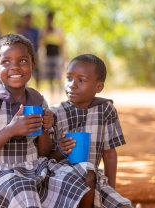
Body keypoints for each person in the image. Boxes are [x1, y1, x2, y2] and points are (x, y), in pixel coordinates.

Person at [0, 34, 95, 208]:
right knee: (22, 188)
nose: (14, 67)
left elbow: (43, 153)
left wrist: (45, 128)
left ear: (33, 66)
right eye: (6, 62)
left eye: (22, 61)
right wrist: (10, 130)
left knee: (86, 173)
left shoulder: (37, 100)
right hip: (1, 174)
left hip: (36, 168)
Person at [50, 54, 132, 208]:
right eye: (69, 78)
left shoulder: (106, 110)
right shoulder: (54, 113)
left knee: (121, 204)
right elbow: (45, 157)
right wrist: (61, 151)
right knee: (86, 174)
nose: (72, 85)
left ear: (98, 87)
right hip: (59, 178)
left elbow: (109, 154)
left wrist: (110, 190)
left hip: (92, 179)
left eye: (81, 80)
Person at [40, 11, 65, 95]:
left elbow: (62, 44)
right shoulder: (44, 31)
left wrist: (64, 55)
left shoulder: (57, 31)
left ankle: (59, 92)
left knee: (58, 76)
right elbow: (41, 44)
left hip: (56, 55)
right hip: (48, 55)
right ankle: (52, 93)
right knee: (50, 77)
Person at [21, 13, 40, 89]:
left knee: (36, 73)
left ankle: (37, 89)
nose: (27, 21)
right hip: (23, 55)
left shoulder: (35, 31)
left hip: (34, 54)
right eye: (26, 19)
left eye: (28, 19)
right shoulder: (22, 31)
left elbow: (38, 43)